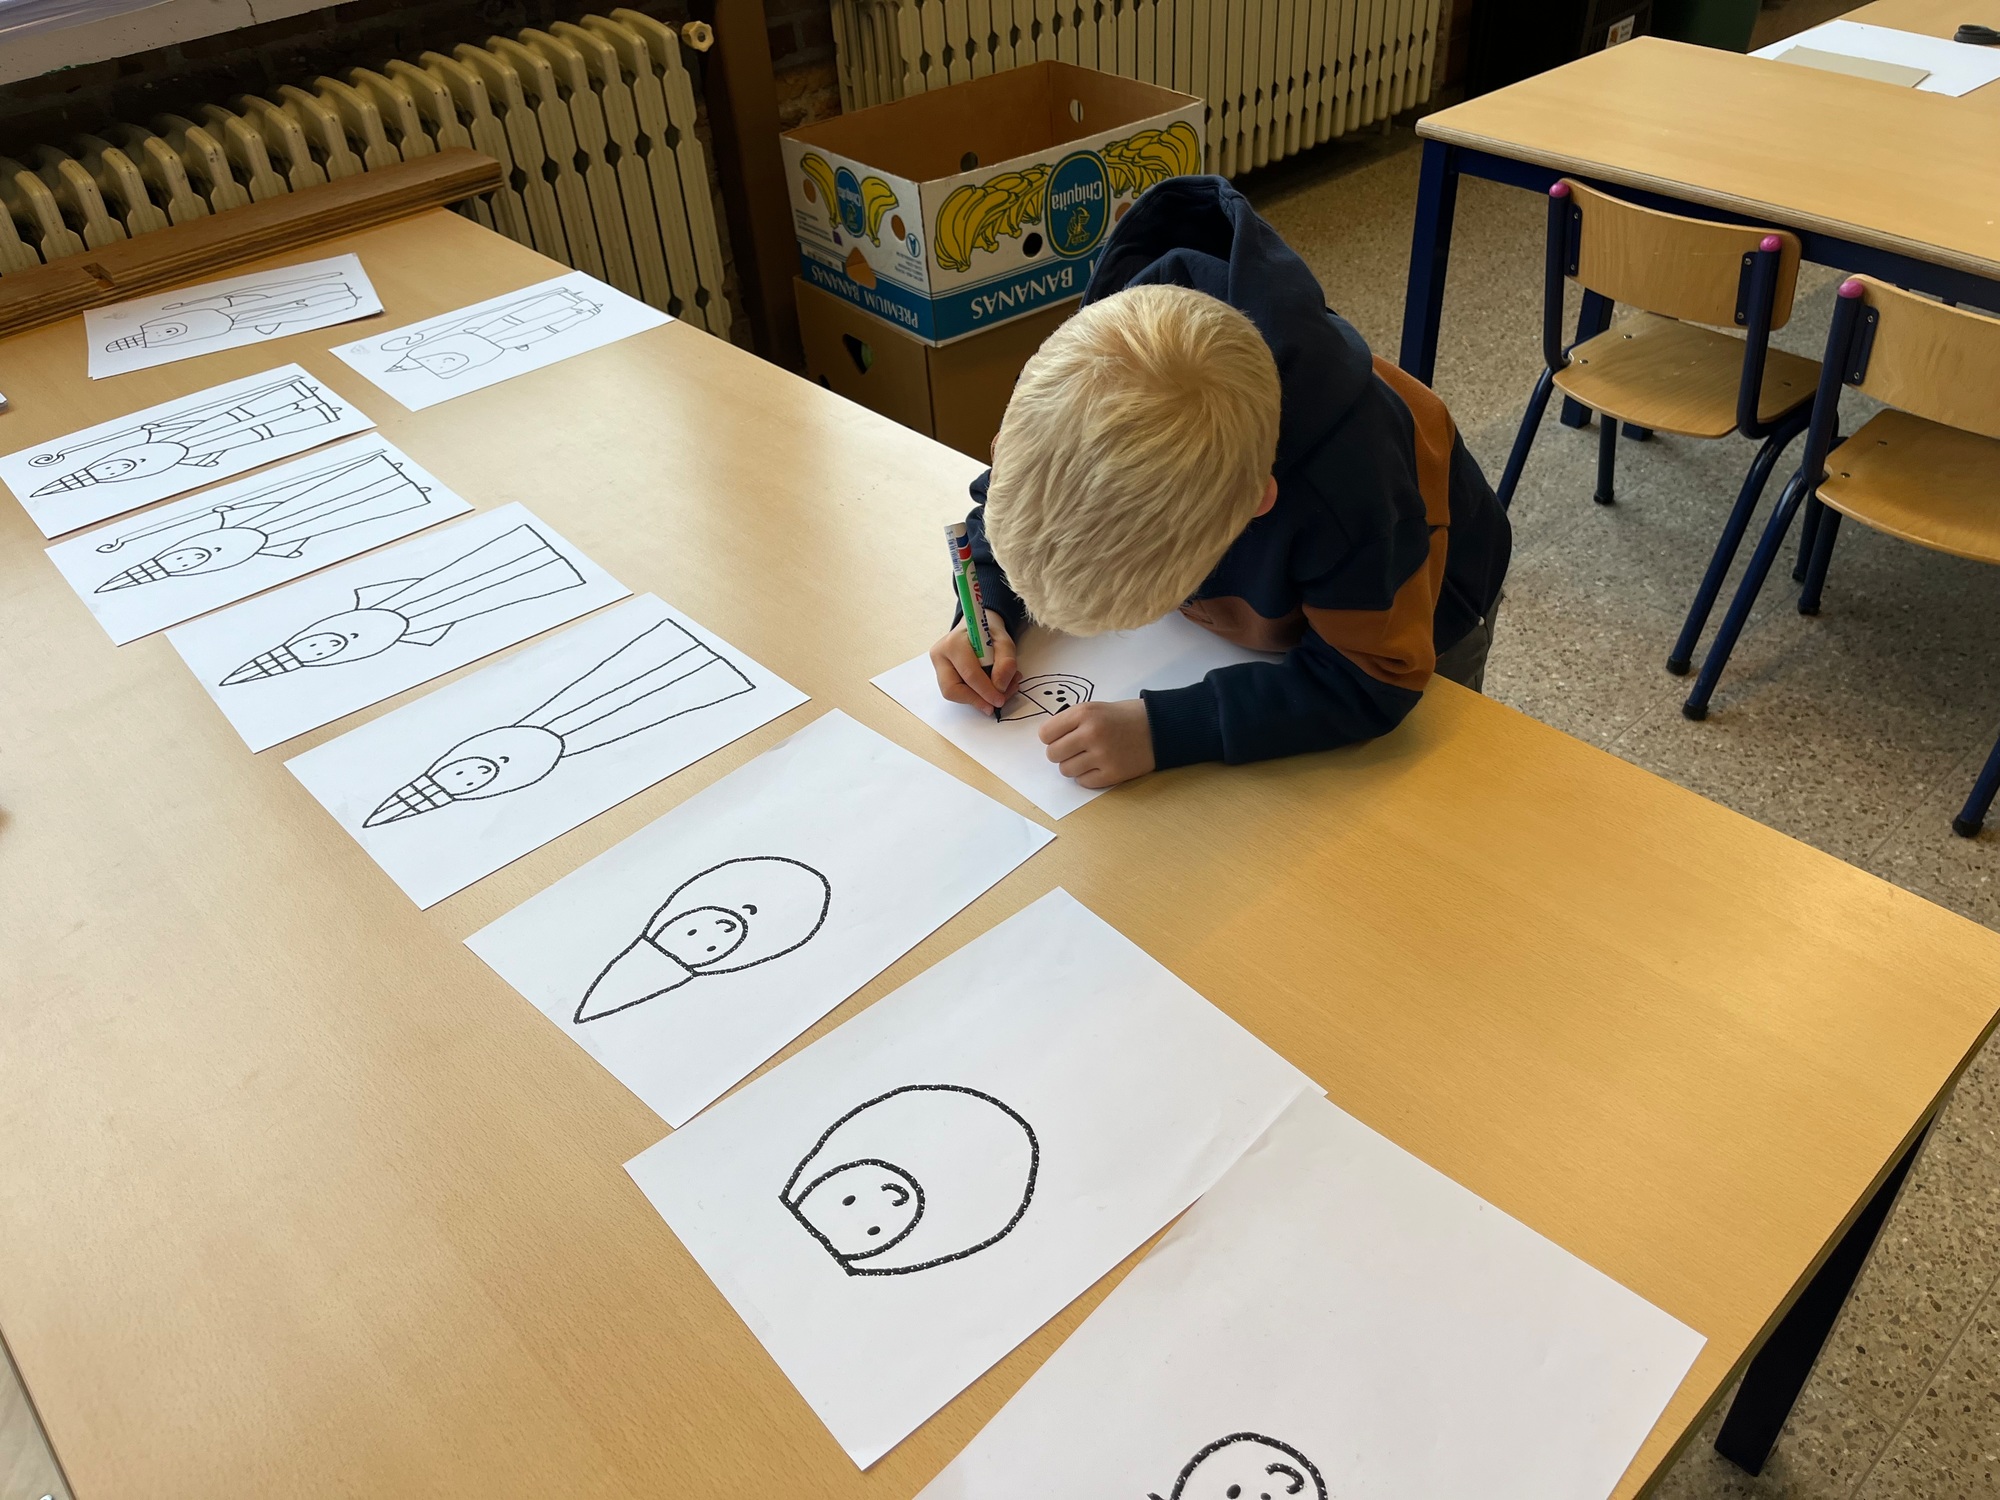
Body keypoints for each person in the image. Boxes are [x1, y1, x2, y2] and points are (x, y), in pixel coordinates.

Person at [929, 175, 1511, 789]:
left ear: (1254, 508)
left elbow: (1375, 677)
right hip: (1260, 613)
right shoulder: (1093, 380)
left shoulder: (1350, 497)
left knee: (1427, 790)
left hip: (1421, 602)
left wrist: (1168, 728)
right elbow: (1029, 510)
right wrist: (986, 605)